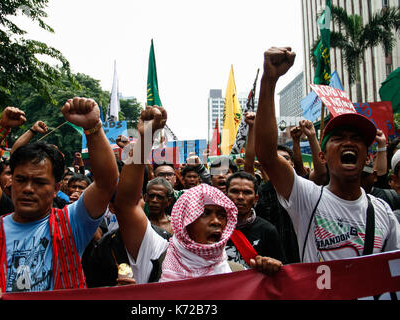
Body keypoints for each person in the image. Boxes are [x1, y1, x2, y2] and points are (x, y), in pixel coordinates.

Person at [0, 97, 118, 300]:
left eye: (39, 182)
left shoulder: (72, 223)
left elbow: (106, 183)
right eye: (21, 179)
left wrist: (93, 127)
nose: (28, 189)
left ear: (57, 189)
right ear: (11, 183)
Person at [254, 46, 400, 263]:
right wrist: (269, 80)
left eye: (357, 139)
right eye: (339, 138)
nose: (349, 142)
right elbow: (267, 156)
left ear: (367, 158)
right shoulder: (307, 198)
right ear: (321, 157)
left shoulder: (383, 212)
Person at [113, 105, 281, 285]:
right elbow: (126, 206)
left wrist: (270, 276)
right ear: (185, 219)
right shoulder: (158, 253)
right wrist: (146, 137)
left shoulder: (236, 272)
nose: (217, 221)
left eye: (222, 215)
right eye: (205, 213)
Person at [225, 171, 286, 266]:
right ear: (226, 195)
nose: (240, 197)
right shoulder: (216, 228)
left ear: (255, 199)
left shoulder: (267, 230)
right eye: (235, 191)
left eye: (247, 192)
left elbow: (280, 269)